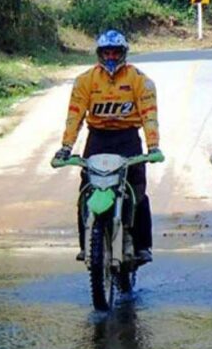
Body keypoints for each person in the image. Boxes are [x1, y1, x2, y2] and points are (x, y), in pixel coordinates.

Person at [55, 30, 161, 265]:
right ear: (99, 54)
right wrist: (66, 147)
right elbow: (75, 115)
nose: (111, 57)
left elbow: (149, 115)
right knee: (86, 191)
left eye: (116, 52)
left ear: (124, 53)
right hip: (98, 140)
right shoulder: (85, 81)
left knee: (138, 192)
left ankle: (143, 245)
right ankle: (86, 246)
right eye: (107, 53)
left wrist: (153, 147)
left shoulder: (140, 80)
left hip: (128, 140)